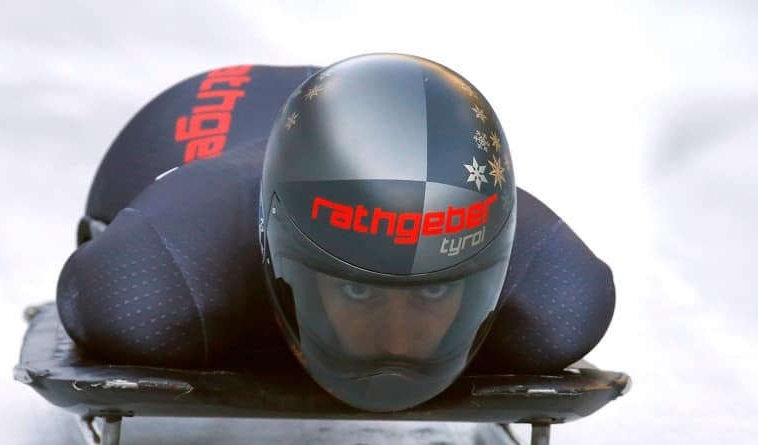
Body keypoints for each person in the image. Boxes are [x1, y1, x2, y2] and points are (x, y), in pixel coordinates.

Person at [57, 54, 616, 412]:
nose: (396, 343)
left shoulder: (559, 299)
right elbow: (106, 285)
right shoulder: (146, 287)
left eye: (434, 290)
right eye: (357, 289)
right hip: (209, 110)